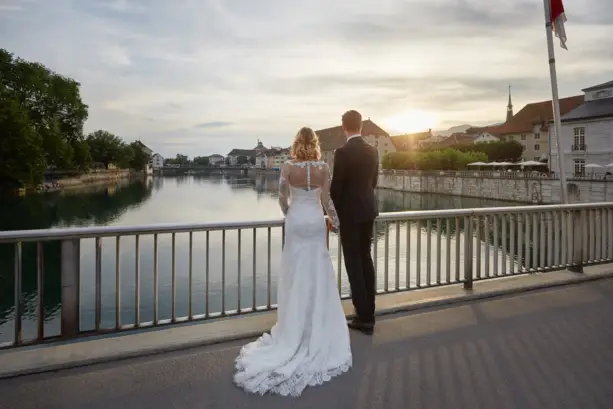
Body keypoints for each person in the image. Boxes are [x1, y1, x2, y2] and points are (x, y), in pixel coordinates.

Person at [234, 127, 352, 397]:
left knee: (295, 275)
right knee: (318, 274)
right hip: (314, 223)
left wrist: (291, 214)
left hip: (297, 222)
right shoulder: (323, 168)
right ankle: (317, 328)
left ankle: (293, 330)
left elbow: (281, 198)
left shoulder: (288, 166)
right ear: (315, 144)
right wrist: (335, 221)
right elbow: (327, 200)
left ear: (297, 144)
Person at [330, 110, 379, 335]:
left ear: (344, 127)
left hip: (350, 216)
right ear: (361, 126)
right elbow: (374, 182)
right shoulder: (373, 150)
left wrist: (333, 216)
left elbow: (336, 189)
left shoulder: (342, 152)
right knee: (366, 259)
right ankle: (370, 310)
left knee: (353, 263)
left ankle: (364, 316)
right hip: (368, 211)